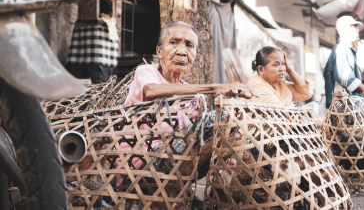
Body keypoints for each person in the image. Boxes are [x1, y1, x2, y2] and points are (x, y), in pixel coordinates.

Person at [122, 21, 259, 179]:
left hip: (179, 160)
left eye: (189, 45)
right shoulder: (147, 72)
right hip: (141, 161)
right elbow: (151, 91)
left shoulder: (193, 95)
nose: (182, 51)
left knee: (230, 120)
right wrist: (215, 88)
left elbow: (196, 134)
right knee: (220, 119)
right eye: (173, 42)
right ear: (159, 52)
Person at [323, 16, 364, 108]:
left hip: (349, 105)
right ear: (341, 30)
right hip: (343, 107)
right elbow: (346, 80)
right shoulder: (342, 49)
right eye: (351, 27)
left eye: (355, 27)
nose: (355, 30)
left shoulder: (347, 49)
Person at [247, 46, 312, 106]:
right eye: (276, 64)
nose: (282, 69)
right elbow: (283, 114)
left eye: (283, 64)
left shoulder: (279, 84)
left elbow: (305, 94)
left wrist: (289, 69)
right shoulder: (257, 87)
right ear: (261, 69)